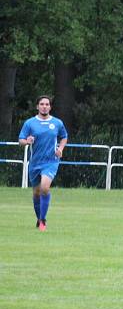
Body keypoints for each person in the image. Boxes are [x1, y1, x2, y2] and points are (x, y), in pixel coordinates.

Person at [18, 95, 68, 231]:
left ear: (50, 107)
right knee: (36, 193)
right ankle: (39, 218)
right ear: (37, 106)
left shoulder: (57, 123)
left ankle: (43, 221)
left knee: (45, 188)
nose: (44, 106)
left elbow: (64, 137)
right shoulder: (30, 123)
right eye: (42, 104)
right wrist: (26, 141)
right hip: (35, 163)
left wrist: (60, 148)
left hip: (51, 161)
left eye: (47, 104)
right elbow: (21, 140)